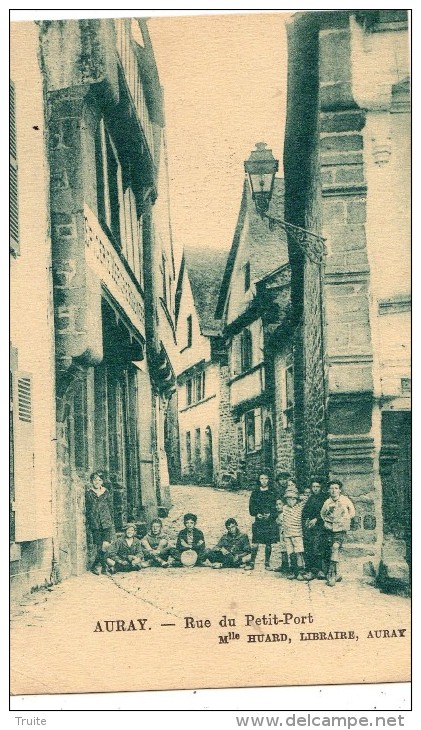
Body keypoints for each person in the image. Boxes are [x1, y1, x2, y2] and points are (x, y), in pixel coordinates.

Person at [320, 480, 356, 587]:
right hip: (329, 529)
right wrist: (328, 521)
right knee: (329, 549)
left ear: (340, 490)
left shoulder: (345, 500)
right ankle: (336, 574)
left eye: (336, 488)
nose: (333, 490)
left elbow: (352, 512)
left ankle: (332, 574)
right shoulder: (327, 502)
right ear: (328, 490)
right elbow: (322, 514)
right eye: (331, 488)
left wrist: (345, 519)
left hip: (340, 529)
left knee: (335, 547)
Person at [85, 471, 115, 575]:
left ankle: (94, 565)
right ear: (91, 481)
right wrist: (90, 523)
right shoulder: (89, 493)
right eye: (95, 480)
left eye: (99, 480)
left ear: (102, 481)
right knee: (98, 546)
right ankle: (104, 568)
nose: (97, 482)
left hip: (106, 522)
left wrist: (111, 520)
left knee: (105, 545)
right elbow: (88, 510)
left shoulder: (106, 492)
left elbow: (110, 507)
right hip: (96, 523)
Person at [248, 472, 279, 570]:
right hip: (259, 520)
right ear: (259, 480)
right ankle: (252, 562)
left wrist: (271, 514)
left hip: (269, 521)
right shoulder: (255, 492)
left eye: (266, 478)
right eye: (262, 478)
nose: (264, 481)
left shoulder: (273, 492)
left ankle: (267, 563)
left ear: (269, 480)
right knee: (255, 542)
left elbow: (277, 506)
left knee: (268, 543)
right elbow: (251, 507)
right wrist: (256, 513)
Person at [282, 482, 308, 580]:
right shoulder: (285, 508)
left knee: (298, 552)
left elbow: (306, 498)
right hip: (287, 534)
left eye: (293, 499)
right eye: (288, 499)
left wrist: (297, 495)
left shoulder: (299, 507)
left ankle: (301, 571)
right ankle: (293, 571)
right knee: (291, 553)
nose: (291, 501)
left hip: (297, 534)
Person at [302, 479, 327, 579]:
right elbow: (305, 512)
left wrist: (316, 519)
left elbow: (326, 513)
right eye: (314, 487)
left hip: (320, 526)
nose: (315, 489)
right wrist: (307, 520)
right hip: (311, 527)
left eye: (317, 487)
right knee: (308, 547)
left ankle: (320, 570)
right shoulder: (311, 498)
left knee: (318, 547)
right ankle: (310, 571)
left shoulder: (325, 498)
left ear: (321, 488)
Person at [272, 497, 290, 574]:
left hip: (286, 533)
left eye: (280, 504)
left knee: (287, 549)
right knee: (283, 548)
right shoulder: (278, 514)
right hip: (281, 533)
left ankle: (288, 567)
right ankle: (284, 565)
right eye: (276, 505)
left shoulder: (286, 514)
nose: (278, 506)